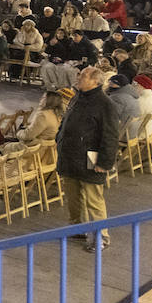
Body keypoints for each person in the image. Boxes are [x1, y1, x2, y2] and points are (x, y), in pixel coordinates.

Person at [56, 66, 119, 251]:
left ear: (95, 81)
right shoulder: (77, 97)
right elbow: (66, 121)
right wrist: (59, 138)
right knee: (73, 195)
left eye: (83, 75)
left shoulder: (105, 104)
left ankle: (101, 237)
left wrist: (104, 162)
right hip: (70, 156)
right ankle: (77, 227)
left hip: (92, 157)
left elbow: (110, 136)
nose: (79, 76)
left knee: (93, 198)